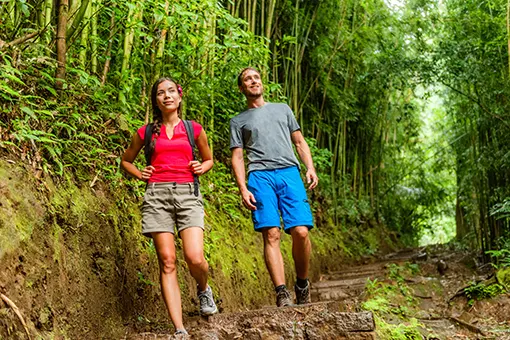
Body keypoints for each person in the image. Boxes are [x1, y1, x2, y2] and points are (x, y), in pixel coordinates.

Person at [121, 77, 218, 336]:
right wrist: (140, 173)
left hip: (188, 193)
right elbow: (126, 161)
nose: (167, 96)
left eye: (171, 91)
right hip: (156, 196)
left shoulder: (193, 129)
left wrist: (202, 167)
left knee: (195, 257)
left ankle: (203, 289)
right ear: (156, 100)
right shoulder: (146, 132)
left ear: (180, 95)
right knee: (167, 261)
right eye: (161, 93)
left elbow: (209, 159)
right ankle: (179, 329)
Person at [230, 67, 319, 307]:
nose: (253, 81)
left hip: (289, 173)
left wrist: (309, 167)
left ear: (262, 83)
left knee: (301, 232)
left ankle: (301, 283)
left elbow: (299, 142)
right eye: (247, 79)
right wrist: (242, 188)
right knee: (271, 233)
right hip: (259, 177)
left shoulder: (283, 109)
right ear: (242, 88)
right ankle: (281, 292)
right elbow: (237, 157)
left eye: (256, 77)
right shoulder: (238, 121)